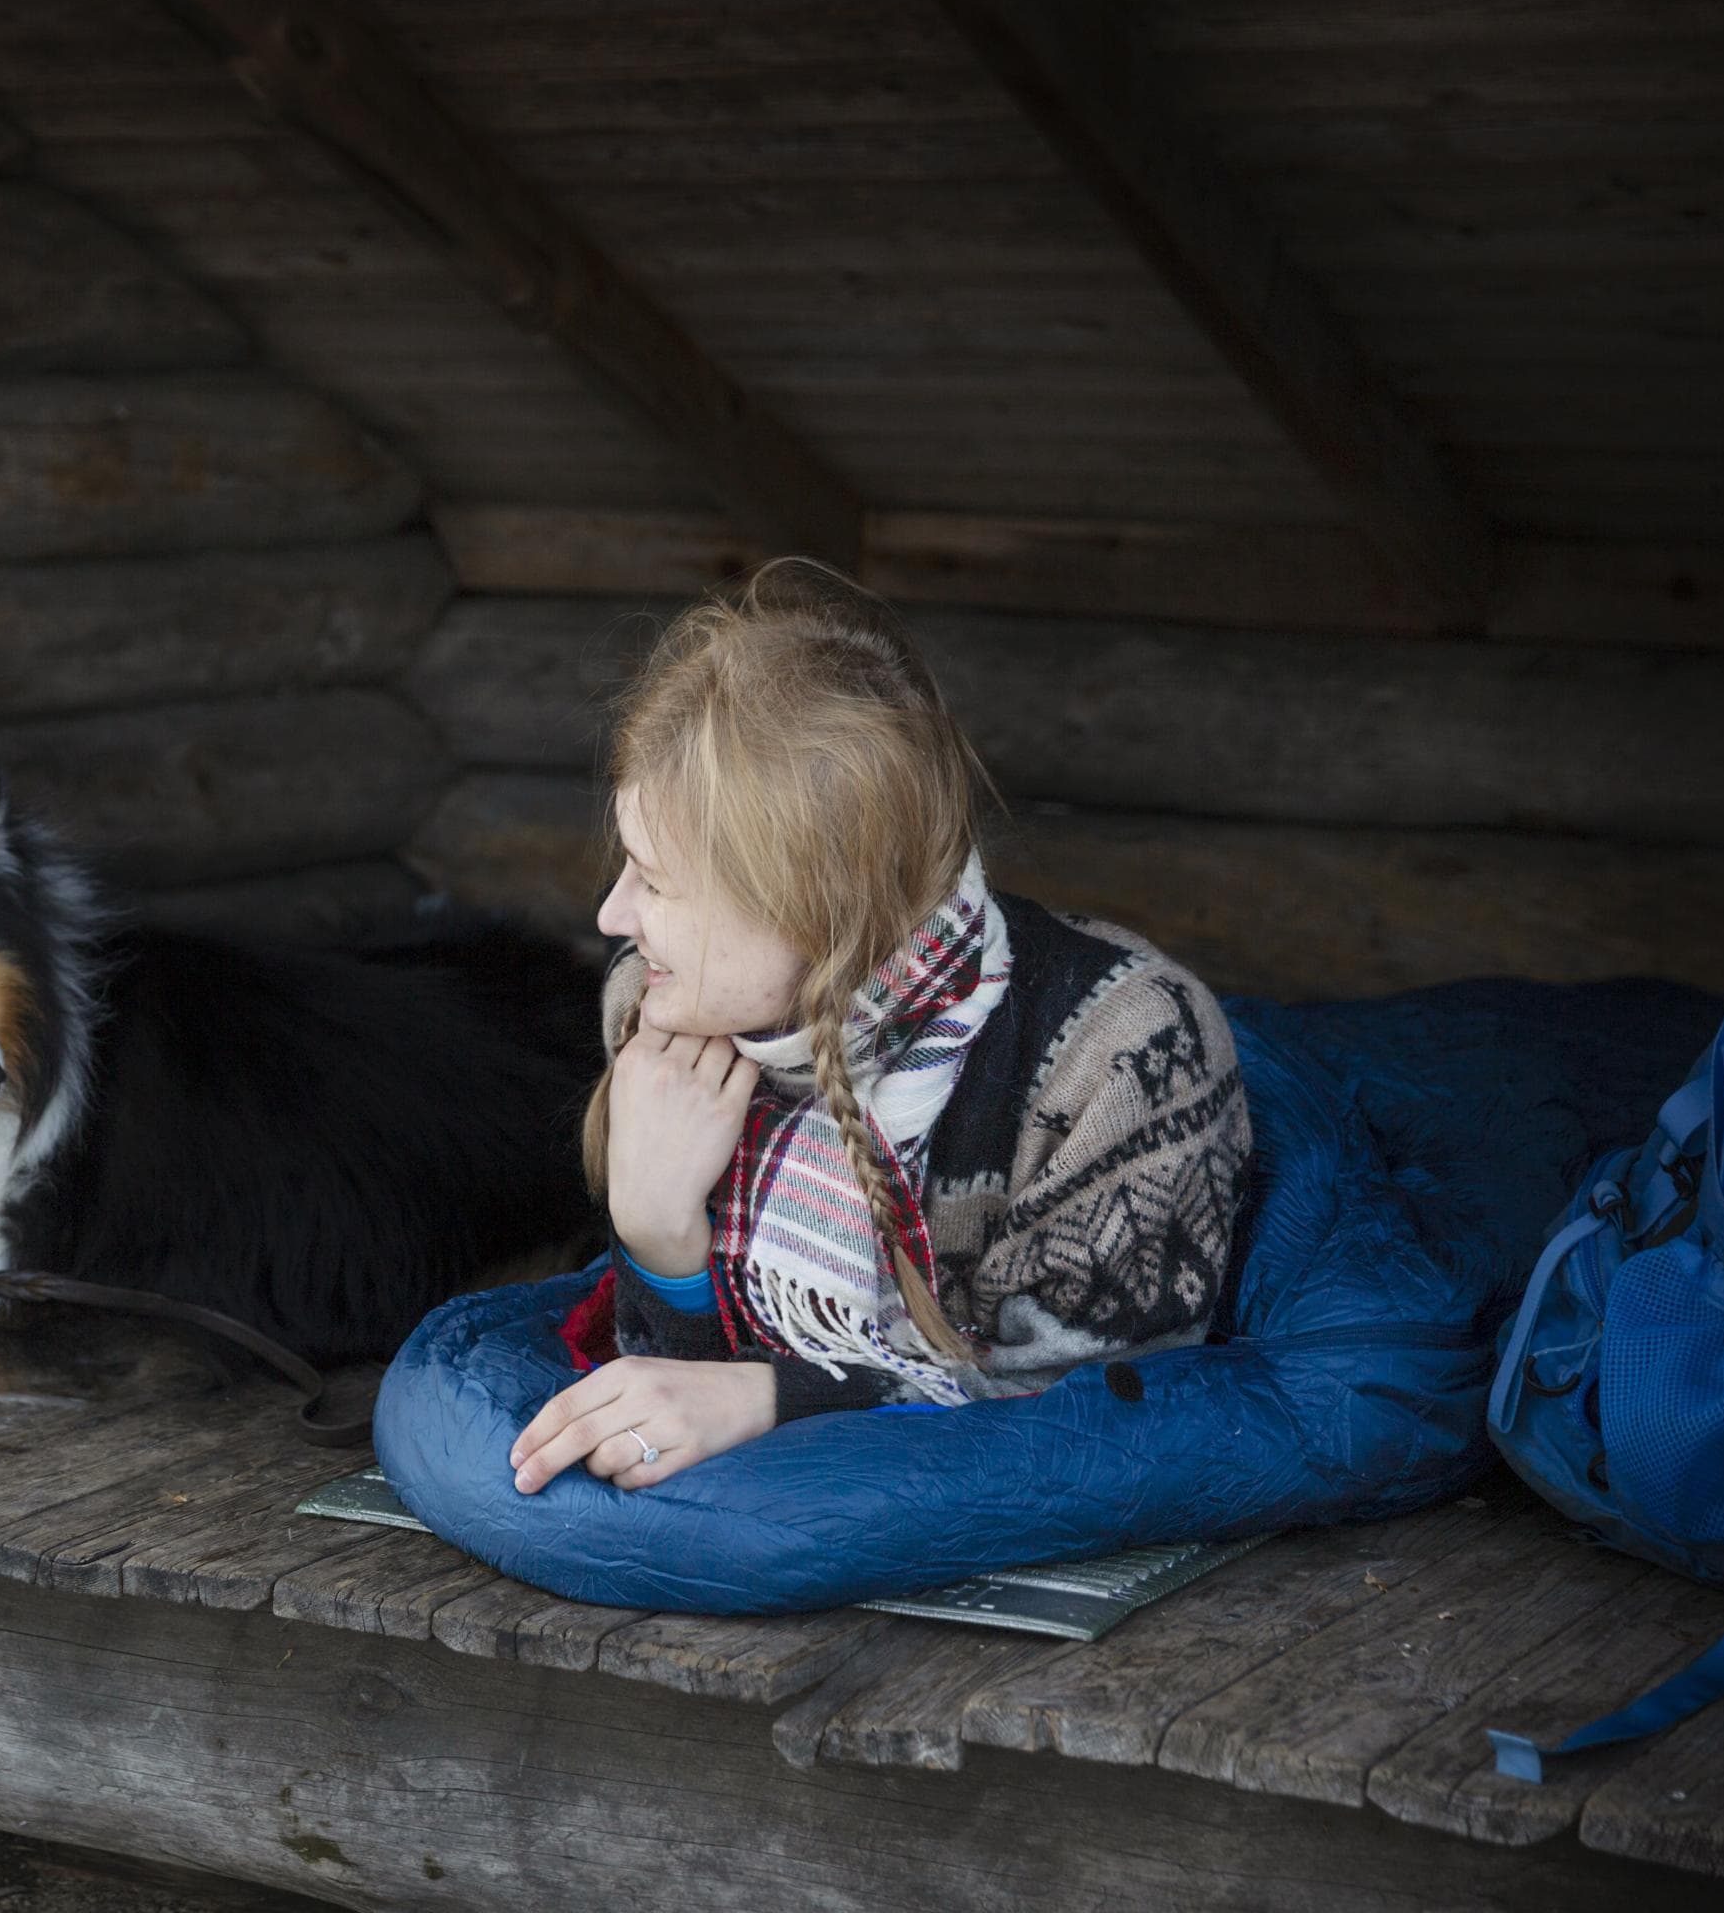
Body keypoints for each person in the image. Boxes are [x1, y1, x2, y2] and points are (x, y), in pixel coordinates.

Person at [508, 560, 1251, 1497]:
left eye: (654, 882)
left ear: (805, 907)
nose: (613, 916)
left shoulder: (1123, 1062)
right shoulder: (659, 1014)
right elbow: (665, 1403)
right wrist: (660, 1241)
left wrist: (778, 1398)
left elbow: (1098, 1419)